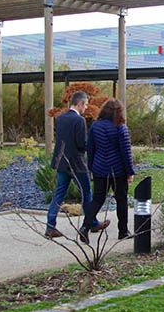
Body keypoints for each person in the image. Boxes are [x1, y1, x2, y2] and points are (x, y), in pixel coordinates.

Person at [45, 91, 106, 238]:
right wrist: (93, 146)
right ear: (79, 104)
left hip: (62, 162)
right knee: (86, 193)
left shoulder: (60, 118)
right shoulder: (79, 121)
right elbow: (80, 144)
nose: (86, 108)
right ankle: (92, 222)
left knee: (59, 194)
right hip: (77, 164)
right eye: (85, 104)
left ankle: (50, 226)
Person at [80, 99, 134, 243]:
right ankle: (123, 231)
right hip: (118, 171)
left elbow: (90, 149)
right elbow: (126, 152)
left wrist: (91, 168)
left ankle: (85, 227)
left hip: (99, 169)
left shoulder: (95, 126)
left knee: (97, 199)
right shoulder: (121, 128)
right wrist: (130, 171)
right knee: (121, 200)